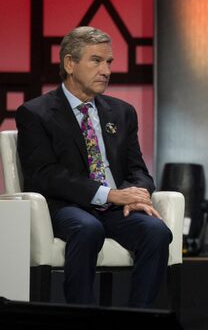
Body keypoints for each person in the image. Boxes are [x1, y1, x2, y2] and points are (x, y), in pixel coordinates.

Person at [15, 26, 172, 307]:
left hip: (115, 208)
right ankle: (84, 323)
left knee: (156, 231)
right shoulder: (35, 113)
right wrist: (109, 194)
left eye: (109, 62)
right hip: (65, 205)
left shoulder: (122, 112)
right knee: (88, 228)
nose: (107, 70)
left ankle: (140, 322)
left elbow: (138, 168)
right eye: (96, 61)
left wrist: (136, 194)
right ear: (70, 64)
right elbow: (44, 174)